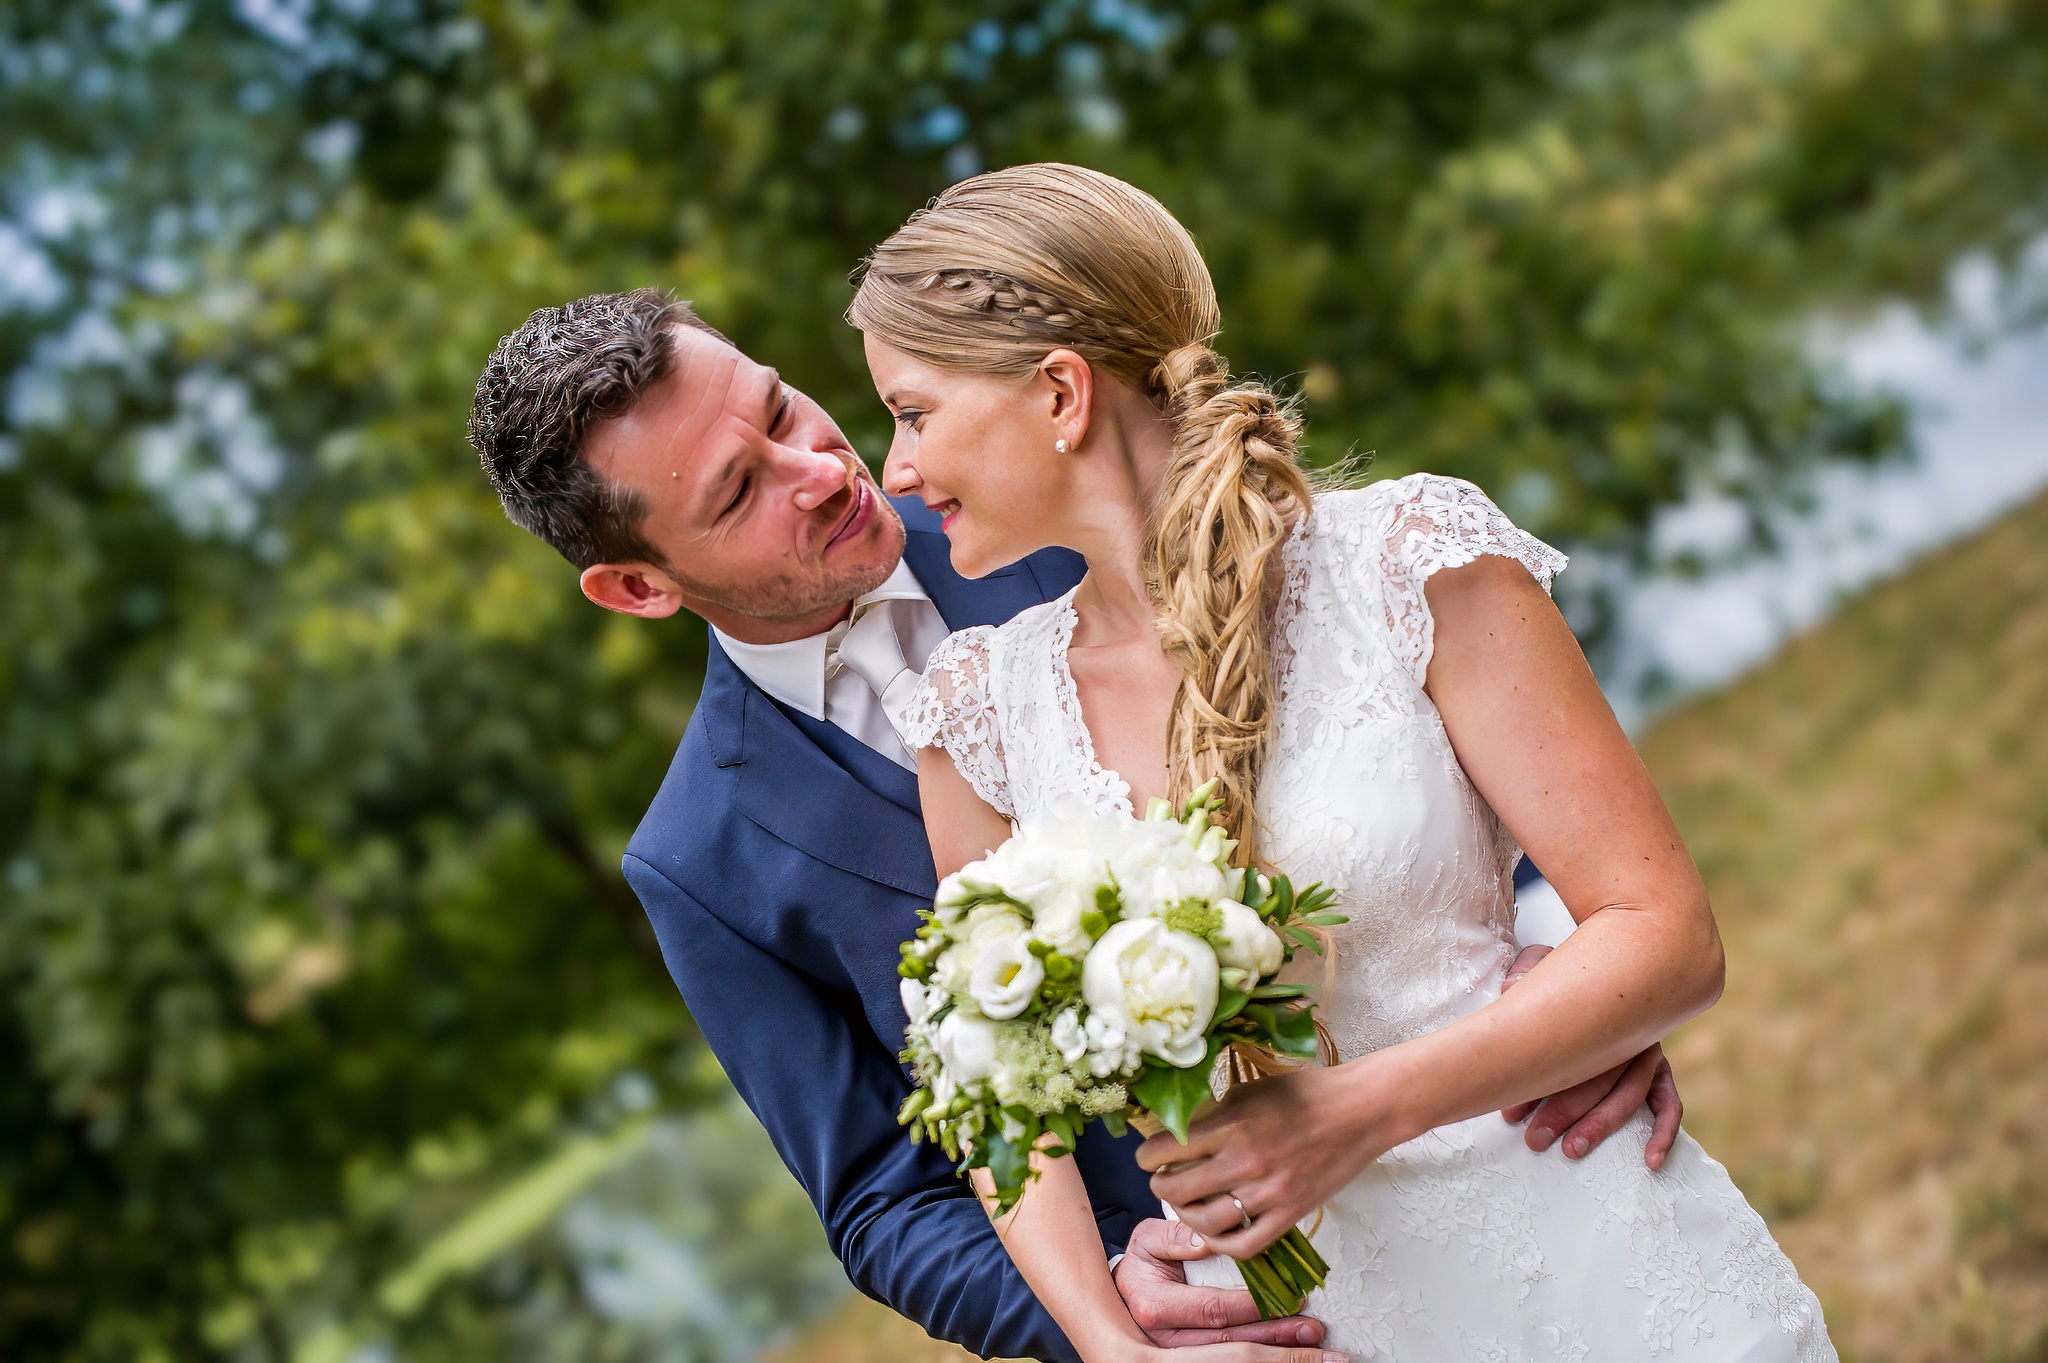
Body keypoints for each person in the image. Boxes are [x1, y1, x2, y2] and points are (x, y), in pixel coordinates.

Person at [467, 289, 1685, 1363]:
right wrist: (1104, 1315)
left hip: (1514, 1159)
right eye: (740, 491)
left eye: (781, 409)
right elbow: (878, 1200)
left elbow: (1389, 722)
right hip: (1226, 1311)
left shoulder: (1068, 499)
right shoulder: (697, 862)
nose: (825, 468)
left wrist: (1567, 992)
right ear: (638, 586)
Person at [852, 164, 1834, 1362]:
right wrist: (1110, 1346)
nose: (894, 470)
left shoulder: (1409, 564)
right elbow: (1007, 1107)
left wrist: (1354, 1112)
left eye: (911, 412)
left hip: (1592, 1268)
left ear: (1059, 393)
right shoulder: (974, 718)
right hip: (1303, 1329)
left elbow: (1665, 935)